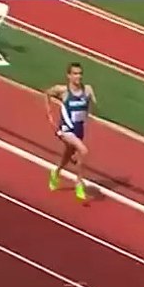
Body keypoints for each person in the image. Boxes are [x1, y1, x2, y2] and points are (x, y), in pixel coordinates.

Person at [44, 62, 97, 202]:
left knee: (68, 154)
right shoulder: (63, 90)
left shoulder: (87, 89)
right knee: (83, 151)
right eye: (75, 73)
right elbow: (47, 93)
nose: (78, 76)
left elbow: (92, 104)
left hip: (79, 129)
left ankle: (56, 172)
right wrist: (49, 114)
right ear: (69, 75)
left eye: (80, 73)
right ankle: (79, 182)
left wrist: (87, 113)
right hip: (66, 129)